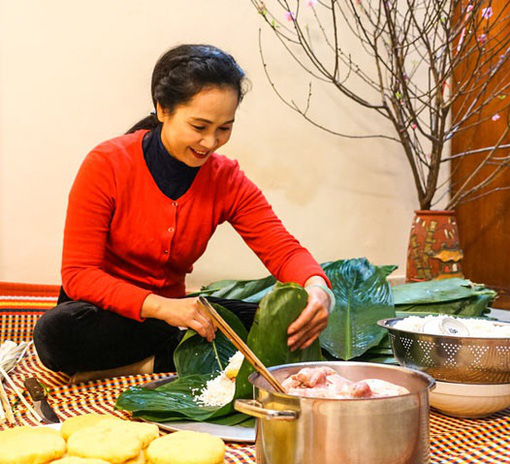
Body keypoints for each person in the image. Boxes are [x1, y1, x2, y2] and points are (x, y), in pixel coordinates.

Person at [33, 44, 334, 383]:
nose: (210, 142)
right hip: (104, 313)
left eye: (224, 128)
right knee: (54, 335)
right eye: (199, 126)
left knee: (296, 322)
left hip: (175, 317)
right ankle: (176, 355)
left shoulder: (226, 179)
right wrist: (164, 308)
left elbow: (283, 250)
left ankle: (144, 364)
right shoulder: (107, 164)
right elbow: (79, 275)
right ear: (163, 110)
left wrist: (317, 288)